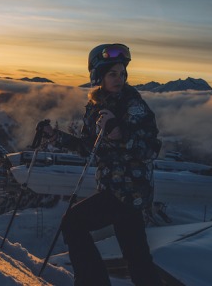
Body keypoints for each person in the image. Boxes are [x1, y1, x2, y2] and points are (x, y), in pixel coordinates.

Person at [61, 43, 162, 286]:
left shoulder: (133, 106)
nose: (120, 79)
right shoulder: (97, 107)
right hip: (115, 189)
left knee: (73, 223)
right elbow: (89, 148)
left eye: (122, 73)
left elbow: (150, 149)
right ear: (99, 77)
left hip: (128, 191)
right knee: (137, 256)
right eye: (113, 74)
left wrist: (122, 133)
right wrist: (58, 137)